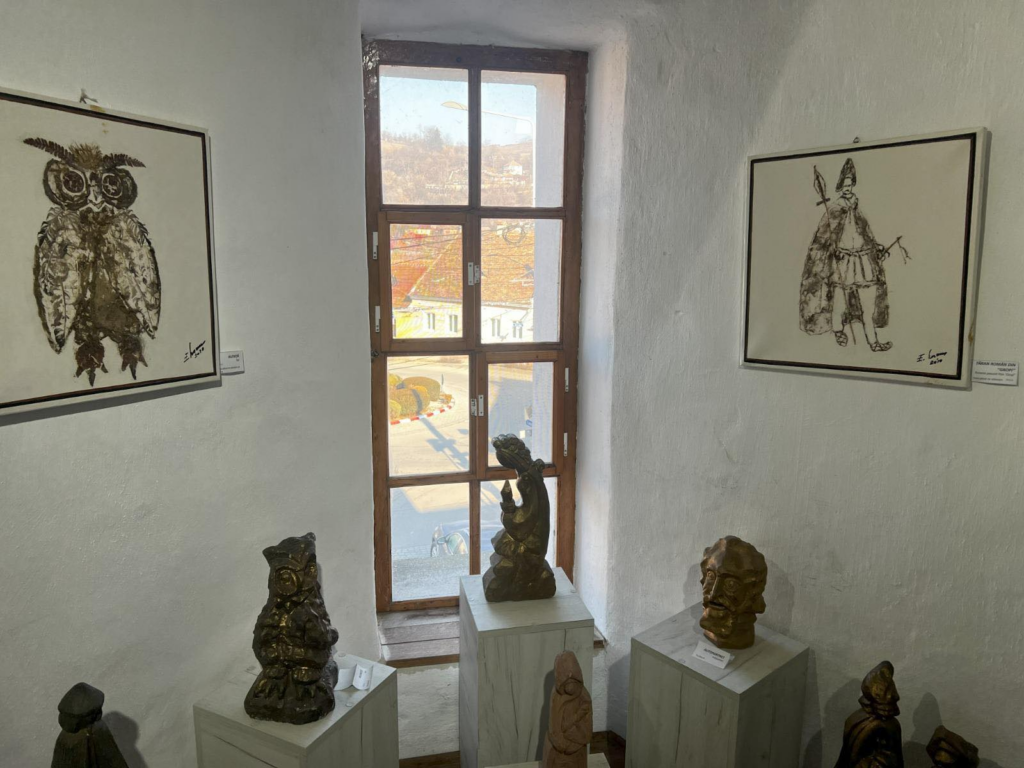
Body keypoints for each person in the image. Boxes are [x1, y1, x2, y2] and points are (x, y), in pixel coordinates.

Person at [800, 158, 893, 352]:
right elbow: (822, 239)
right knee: (840, 302)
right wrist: (831, 251)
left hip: (863, 260)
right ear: (839, 187)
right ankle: (838, 330)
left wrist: (876, 247)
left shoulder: (857, 208)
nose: (847, 189)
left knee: (868, 303)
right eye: (844, 185)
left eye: (850, 185)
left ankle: (873, 342)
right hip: (842, 262)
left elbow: (865, 233)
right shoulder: (834, 209)